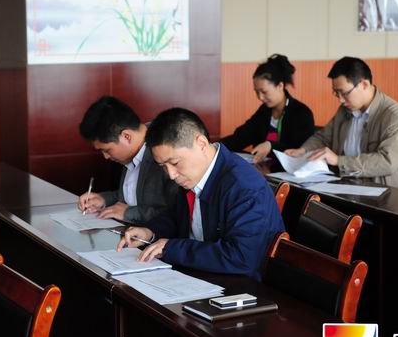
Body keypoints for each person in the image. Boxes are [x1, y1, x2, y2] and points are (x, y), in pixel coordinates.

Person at [117, 108, 284, 280]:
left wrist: (171, 248)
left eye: (175, 163)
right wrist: (150, 232)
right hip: (200, 275)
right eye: (163, 166)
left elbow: (241, 257)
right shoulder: (194, 173)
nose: (171, 175)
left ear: (202, 144)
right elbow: (176, 218)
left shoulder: (244, 186)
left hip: (240, 284)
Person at [285, 56, 398, 189]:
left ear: (364, 85)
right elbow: (324, 138)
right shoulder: (345, 110)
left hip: (384, 193)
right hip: (348, 187)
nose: (340, 100)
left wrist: (339, 161)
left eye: (344, 93)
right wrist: (303, 150)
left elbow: (387, 161)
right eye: (336, 93)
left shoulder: (395, 116)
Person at [77, 96, 178, 223]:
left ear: (126, 136)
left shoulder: (165, 152)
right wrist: (104, 199)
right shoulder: (132, 151)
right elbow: (134, 197)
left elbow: (176, 213)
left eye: (107, 150)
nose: (106, 157)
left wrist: (129, 213)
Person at [220, 54, 315, 163]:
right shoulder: (264, 110)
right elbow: (243, 136)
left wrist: (271, 145)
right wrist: (215, 146)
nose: (260, 97)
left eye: (264, 92)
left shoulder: (301, 113)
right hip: (263, 167)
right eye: (257, 92)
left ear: (280, 86)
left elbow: (299, 148)